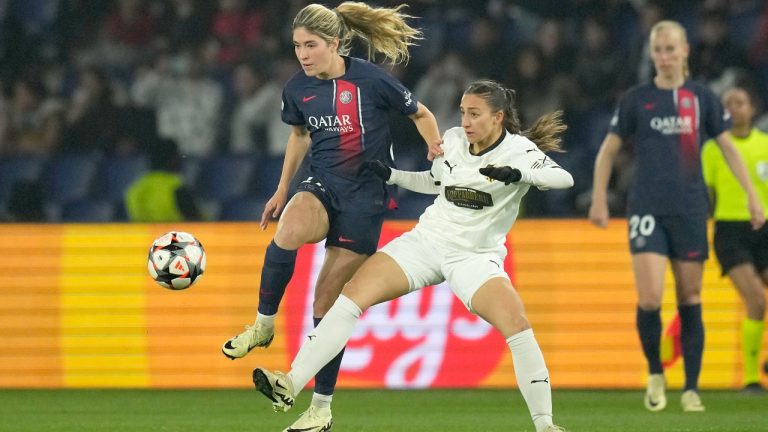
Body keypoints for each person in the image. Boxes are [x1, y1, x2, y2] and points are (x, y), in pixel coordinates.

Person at [251, 79, 572, 432]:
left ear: (497, 118)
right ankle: (291, 384)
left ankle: (545, 425)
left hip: (474, 257)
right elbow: (437, 183)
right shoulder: (452, 140)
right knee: (351, 296)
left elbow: (563, 179)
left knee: (518, 326)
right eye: (463, 112)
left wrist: (519, 174)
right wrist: (392, 175)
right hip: (427, 241)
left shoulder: (519, 151)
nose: (464, 121)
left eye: (474, 114)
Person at [221, 3, 443, 432]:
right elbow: (300, 134)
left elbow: (422, 114)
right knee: (289, 227)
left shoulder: (372, 80)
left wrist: (436, 149)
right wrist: (283, 189)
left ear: (335, 43)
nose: (303, 55)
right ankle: (264, 325)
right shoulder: (297, 88)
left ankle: (320, 410)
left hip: (366, 201)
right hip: (321, 185)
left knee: (327, 307)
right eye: (297, 46)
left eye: (311, 45)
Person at [588, 20, 765, 413]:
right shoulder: (637, 99)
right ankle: (655, 371)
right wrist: (599, 198)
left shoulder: (702, 98)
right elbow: (607, 150)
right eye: (658, 50)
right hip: (647, 208)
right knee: (650, 298)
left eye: (671, 49)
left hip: (689, 209)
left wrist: (753, 197)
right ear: (652, 54)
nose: (665, 57)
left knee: (690, 296)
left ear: (685, 51)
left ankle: (691, 386)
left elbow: (730, 150)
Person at [701, 87, 768, 394]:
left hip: (764, 229)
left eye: (740, 102)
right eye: (728, 104)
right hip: (730, 231)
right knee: (756, 299)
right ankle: (752, 379)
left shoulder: (765, 145)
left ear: (752, 109)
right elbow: (707, 198)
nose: (734, 109)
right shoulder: (713, 150)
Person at [124, 138, 203, 222]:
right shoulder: (176, 186)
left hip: (144, 234)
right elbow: (197, 222)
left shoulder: (135, 188)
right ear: (172, 159)